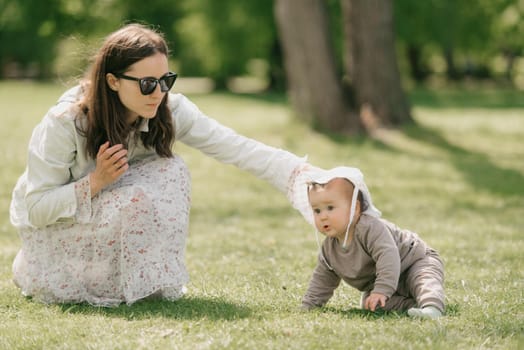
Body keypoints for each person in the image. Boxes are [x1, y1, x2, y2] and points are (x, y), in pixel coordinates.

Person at [9, 23, 311, 307]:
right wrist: (96, 181)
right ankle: (53, 272)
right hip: (55, 228)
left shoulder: (169, 109)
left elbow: (234, 146)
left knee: (172, 171)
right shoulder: (65, 123)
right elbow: (35, 209)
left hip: (110, 211)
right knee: (133, 199)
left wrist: (302, 174)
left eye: (165, 81)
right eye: (147, 84)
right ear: (113, 81)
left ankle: (144, 282)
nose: (159, 93)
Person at [294, 167, 445, 319]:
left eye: (330, 208)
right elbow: (323, 280)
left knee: (423, 279)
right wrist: (308, 306)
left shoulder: (369, 228)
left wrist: (382, 289)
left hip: (414, 261)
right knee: (371, 303)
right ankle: (414, 308)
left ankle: (432, 307)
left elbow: (388, 256)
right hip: (384, 280)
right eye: (317, 211)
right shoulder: (329, 249)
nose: (323, 216)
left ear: (355, 208)